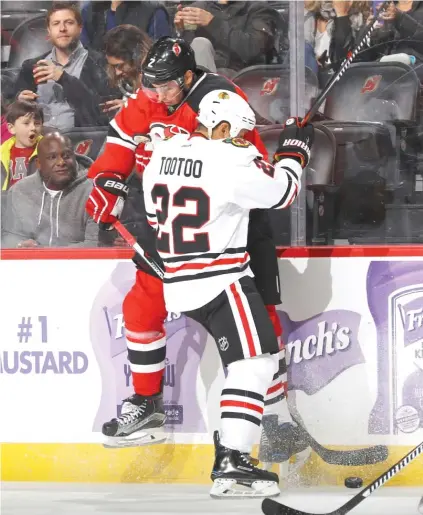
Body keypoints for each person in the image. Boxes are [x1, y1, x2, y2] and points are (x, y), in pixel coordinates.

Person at [86, 37, 303, 463]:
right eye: (150, 88)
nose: (157, 97)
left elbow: (252, 172)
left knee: (262, 325)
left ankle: (276, 420)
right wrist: (107, 179)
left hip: (230, 224)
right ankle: (147, 405)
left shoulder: (218, 100)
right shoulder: (153, 92)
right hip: (173, 227)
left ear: (188, 77)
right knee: (140, 308)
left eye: (165, 88)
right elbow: (122, 142)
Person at [142, 89, 313, 497]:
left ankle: (239, 451)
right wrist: (293, 151)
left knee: (254, 360)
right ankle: (232, 461)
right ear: (221, 127)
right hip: (221, 279)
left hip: (179, 281)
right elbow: (283, 193)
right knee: (253, 363)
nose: (242, 142)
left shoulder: (161, 153)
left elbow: (153, 215)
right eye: (239, 134)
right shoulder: (231, 160)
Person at [13, 2, 118, 130]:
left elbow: (101, 111)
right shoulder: (32, 66)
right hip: (39, 140)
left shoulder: (100, 63)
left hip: (81, 141)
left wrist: (63, 78)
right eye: (56, 24)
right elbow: (12, 108)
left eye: (69, 22)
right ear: (49, 30)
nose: (62, 28)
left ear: (80, 27)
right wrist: (19, 100)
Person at [2, 132, 99, 248]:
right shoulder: (20, 191)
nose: (61, 162)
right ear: (38, 163)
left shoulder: (95, 192)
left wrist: (44, 252)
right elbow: (9, 236)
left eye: (67, 156)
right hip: (29, 263)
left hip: (79, 264)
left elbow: (96, 244)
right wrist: (19, 245)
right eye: (52, 157)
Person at [174, 1, 282, 73]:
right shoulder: (198, 7)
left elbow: (253, 49)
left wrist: (213, 23)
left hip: (240, 75)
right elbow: (185, 54)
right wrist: (181, 30)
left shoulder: (258, 9)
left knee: (201, 44)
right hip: (196, 74)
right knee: (199, 44)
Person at [81, 1, 171, 52]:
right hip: (97, 80)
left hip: (136, 79)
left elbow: (160, 53)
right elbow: (85, 50)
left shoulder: (153, 11)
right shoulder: (89, 10)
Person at [1, 100, 44, 191]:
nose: (33, 128)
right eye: (26, 123)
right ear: (11, 128)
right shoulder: (2, 153)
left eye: (37, 123)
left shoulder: (46, 150)